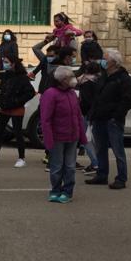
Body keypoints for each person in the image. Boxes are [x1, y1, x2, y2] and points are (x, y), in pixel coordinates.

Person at [86, 48, 131, 190]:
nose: (103, 61)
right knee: (100, 149)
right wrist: (92, 115)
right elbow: (97, 97)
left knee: (117, 150)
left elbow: (128, 101)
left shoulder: (123, 79)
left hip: (113, 120)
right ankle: (101, 175)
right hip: (99, 118)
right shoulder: (103, 77)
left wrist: (116, 116)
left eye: (105, 59)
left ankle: (121, 178)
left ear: (114, 62)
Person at [41, 66, 88, 204]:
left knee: (70, 166)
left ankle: (67, 191)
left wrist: (82, 137)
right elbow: (46, 119)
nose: (73, 80)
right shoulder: (50, 94)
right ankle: (55, 190)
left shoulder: (72, 94)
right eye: (70, 77)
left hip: (72, 137)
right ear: (61, 80)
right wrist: (48, 141)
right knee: (56, 166)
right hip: (57, 137)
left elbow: (78, 116)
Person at [0, 56, 33, 168]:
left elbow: (30, 93)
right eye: (3, 62)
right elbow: (3, 90)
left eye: (6, 62)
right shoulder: (6, 75)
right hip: (5, 107)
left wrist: (17, 101)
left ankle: (21, 158)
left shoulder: (22, 77)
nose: (4, 64)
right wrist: (1, 101)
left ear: (13, 64)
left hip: (16, 109)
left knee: (18, 133)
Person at [77, 61, 104, 173]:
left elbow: (86, 101)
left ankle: (95, 163)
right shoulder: (98, 82)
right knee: (92, 140)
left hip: (87, 114)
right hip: (94, 114)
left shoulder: (85, 82)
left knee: (86, 140)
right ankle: (96, 163)